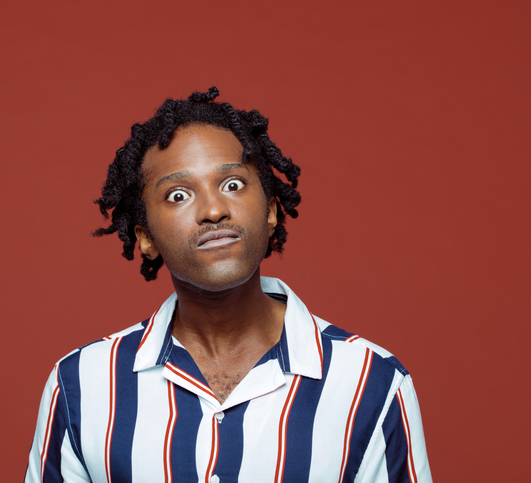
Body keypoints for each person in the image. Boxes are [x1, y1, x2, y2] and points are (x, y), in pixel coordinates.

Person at [25, 87, 431, 482]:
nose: (214, 210)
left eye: (232, 185)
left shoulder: (370, 382)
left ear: (271, 210)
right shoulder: (82, 385)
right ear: (145, 238)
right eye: (178, 195)